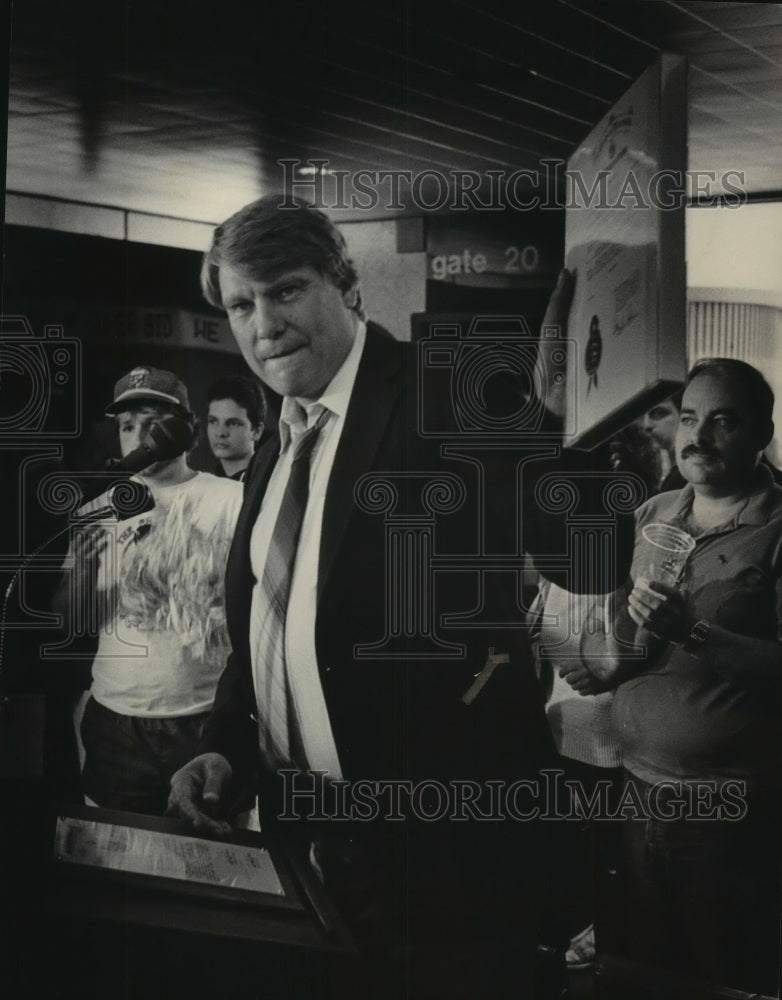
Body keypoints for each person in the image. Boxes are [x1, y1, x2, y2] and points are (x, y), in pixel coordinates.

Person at [166, 196, 629, 999]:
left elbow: (593, 561)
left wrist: (570, 437)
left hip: (445, 865)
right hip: (307, 848)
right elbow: (277, 626)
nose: (263, 323)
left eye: (286, 290)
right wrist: (226, 746)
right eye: (241, 304)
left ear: (348, 286)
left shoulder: (447, 393)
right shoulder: (279, 436)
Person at [590, 357, 782, 994]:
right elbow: (635, 632)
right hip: (637, 788)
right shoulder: (656, 509)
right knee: (642, 970)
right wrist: (606, 660)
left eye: (724, 421)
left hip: (729, 810)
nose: (697, 436)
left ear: (763, 435)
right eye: (691, 418)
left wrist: (693, 631)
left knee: (720, 974)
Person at [53, 367, 244, 815]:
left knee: (212, 853)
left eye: (152, 421)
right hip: (117, 722)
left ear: (184, 430)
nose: (138, 435)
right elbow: (71, 623)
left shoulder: (232, 500)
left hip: (206, 720)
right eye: (126, 425)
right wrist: (82, 568)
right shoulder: (97, 508)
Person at [206, 374, 266, 481]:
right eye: (213, 421)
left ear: (257, 431)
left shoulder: (269, 483)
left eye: (233, 423)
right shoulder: (207, 484)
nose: (220, 433)